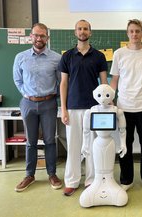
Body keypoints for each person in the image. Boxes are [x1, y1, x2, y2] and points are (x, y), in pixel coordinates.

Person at [59, 20, 108, 196]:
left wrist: (105, 107)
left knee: (92, 146)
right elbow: (63, 83)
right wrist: (63, 109)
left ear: (90, 32)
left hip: (94, 108)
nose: (82, 31)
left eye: (85, 28)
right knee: (74, 146)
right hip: (72, 107)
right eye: (79, 28)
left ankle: (91, 181)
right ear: (75, 32)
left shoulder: (99, 56)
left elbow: (104, 84)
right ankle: (71, 181)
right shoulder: (67, 56)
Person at [110, 19, 142, 195]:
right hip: (124, 108)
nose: (134, 34)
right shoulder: (119, 54)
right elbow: (114, 79)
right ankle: (127, 180)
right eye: (131, 31)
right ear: (127, 33)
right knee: (125, 146)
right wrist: (111, 99)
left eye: (137, 31)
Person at [13, 23, 62, 192]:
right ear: (31, 36)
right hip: (28, 103)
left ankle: (52, 174)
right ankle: (29, 175)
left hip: (49, 103)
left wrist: (54, 97)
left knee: (49, 140)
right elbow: (17, 80)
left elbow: (60, 82)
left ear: (47, 38)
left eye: (42, 36)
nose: (39, 38)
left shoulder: (56, 58)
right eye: (36, 35)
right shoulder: (20, 57)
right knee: (30, 142)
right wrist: (27, 94)